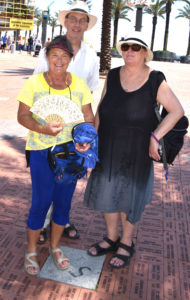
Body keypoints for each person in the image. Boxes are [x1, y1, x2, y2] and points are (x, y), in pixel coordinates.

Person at [84, 31, 184, 269]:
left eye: (136, 48)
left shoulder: (155, 80)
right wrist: (92, 138)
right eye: (126, 47)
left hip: (137, 151)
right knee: (106, 193)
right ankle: (111, 238)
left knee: (130, 198)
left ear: (145, 53)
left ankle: (126, 242)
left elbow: (177, 111)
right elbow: (101, 107)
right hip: (107, 145)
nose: (129, 51)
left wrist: (155, 136)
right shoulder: (113, 74)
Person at [17, 35, 94, 275]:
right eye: (54, 55)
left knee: (63, 202)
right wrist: (42, 128)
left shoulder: (79, 85)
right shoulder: (34, 83)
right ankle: (31, 249)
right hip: (41, 150)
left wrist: (85, 141)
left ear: (71, 59)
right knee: (41, 201)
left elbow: (89, 119)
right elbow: (23, 116)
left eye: (64, 56)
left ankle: (55, 246)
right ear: (47, 57)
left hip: (71, 154)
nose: (59, 60)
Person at [33, 0, 99, 243]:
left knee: (68, 178)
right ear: (66, 21)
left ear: (86, 25)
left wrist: (89, 133)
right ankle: (40, 223)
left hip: (74, 132)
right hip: (48, 129)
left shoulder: (91, 56)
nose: (77, 24)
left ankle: (62, 219)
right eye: (73, 19)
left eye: (82, 20)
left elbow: (90, 94)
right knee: (45, 181)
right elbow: (36, 86)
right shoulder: (48, 51)